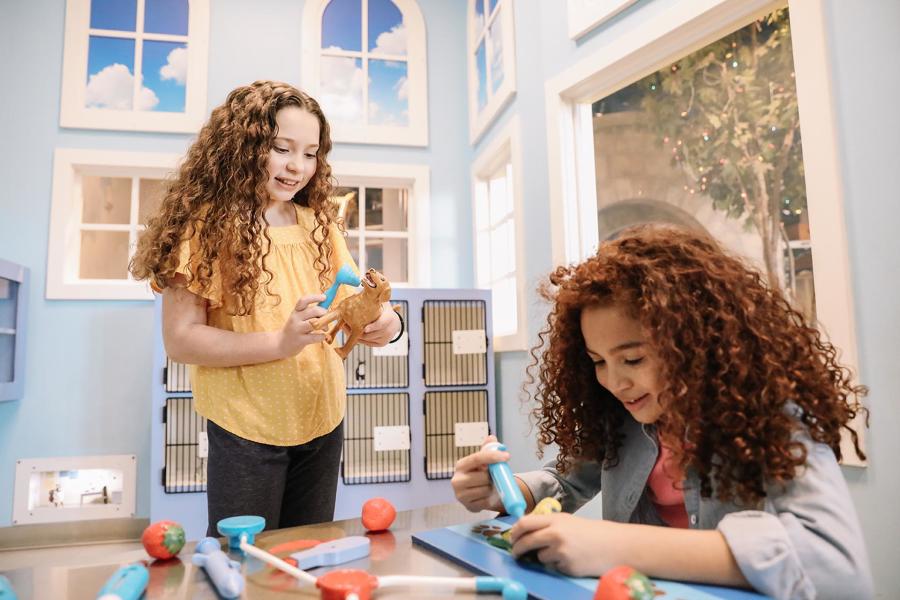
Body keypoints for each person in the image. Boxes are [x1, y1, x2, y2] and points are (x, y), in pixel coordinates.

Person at [451, 225, 872, 599]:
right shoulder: (623, 414)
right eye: (598, 361)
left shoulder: (772, 413)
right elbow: (568, 479)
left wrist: (616, 545)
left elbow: (839, 569)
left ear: (696, 342)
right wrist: (504, 492)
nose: (614, 383)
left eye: (632, 360)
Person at [130, 81, 402, 534]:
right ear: (244, 146)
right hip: (247, 426)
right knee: (245, 560)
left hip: (322, 418)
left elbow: (358, 300)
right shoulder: (203, 228)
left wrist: (387, 323)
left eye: (311, 153)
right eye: (281, 148)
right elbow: (180, 340)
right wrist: (279, 342)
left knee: (307, 556)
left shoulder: (318, 224)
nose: (298, 167)